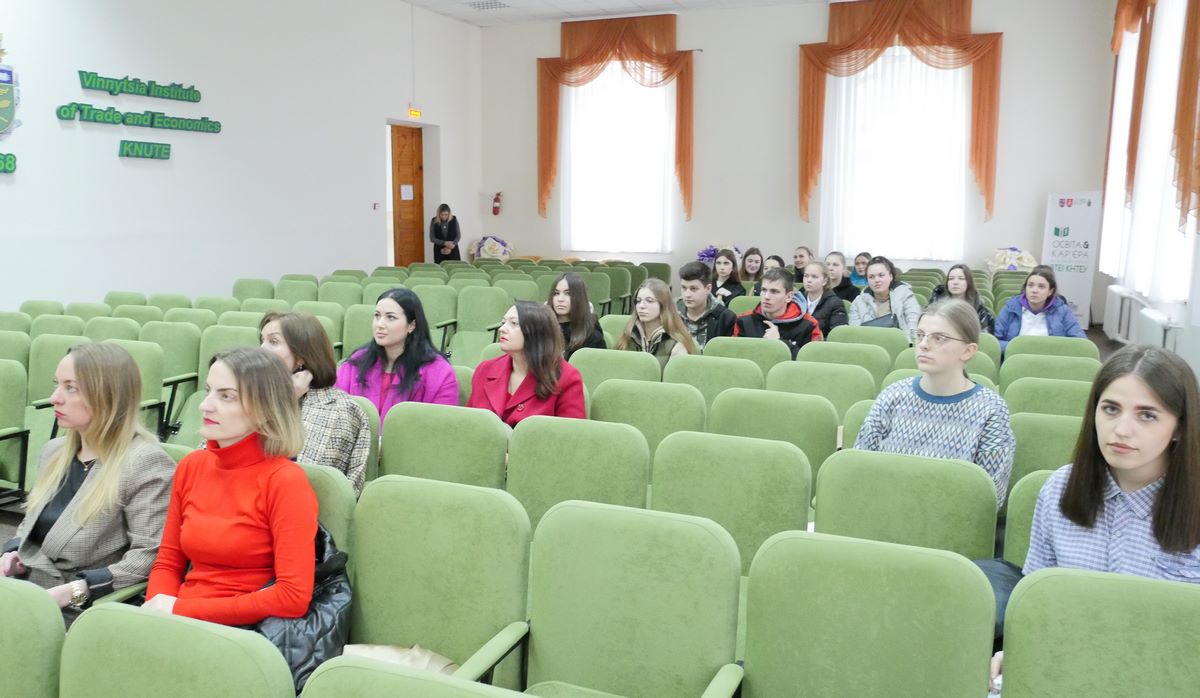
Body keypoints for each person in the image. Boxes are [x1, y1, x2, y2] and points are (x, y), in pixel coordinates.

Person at [987, 344, 1200, 693]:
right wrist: (1016, 650)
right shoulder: (1059, 489)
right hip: (1062, 667)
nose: (1122, 430)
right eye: (1111, 409)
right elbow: (1040, 600)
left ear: (1179, 427)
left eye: (1147, 415)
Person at [0, 343, 174, 624]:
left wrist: (75, 591)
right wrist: (12, 553)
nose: (54, 398)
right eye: (57, 385)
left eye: (71, 388)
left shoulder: (144, 462)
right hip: (27, 589)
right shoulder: (55, 451)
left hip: (81, 609)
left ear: (108, 396)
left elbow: (148, 556)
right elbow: (30, 523)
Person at [144, 347, 318, 626]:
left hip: (240, 631)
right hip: (179, 619)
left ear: (264, 410)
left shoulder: (285, 481)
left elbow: (292, 597)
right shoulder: (192, 466)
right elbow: (168, 561)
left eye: (226, 396)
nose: (205, 405)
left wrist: (180, 610)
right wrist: (157, 613)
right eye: (208, 391)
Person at [855, 300, 1015, 507]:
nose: (923, 344)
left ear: (967, 351)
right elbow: (860, 469)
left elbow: (990, 496)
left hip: (949, 520)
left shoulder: (990, 410)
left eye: (939, 338)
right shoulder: (892, 396)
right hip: (884, 510)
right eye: (920, 335)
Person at [260, 311, 371, 495]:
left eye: (273, 341)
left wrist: (286, 399)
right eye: (262, 340)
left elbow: (303, 482)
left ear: (301, 356)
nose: (261, 350)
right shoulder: (253, 396)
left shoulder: (337, 410)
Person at [335, 288, 458, 424]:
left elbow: (441, 426)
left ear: (411, 325)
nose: (380, 324)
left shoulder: (439, 371)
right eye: (377, 315)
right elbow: (334, 412)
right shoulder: (356, 362)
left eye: (391, 317)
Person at [468, 301, 586, 427]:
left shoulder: (567, 377)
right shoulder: (485, 369)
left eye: (513, 323)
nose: (502, 329)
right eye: (503, 322)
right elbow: (469, 425)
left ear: (537, 332)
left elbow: (571, 434)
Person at [734, 266, 823, 358]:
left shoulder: (809, 325)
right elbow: (735, 356)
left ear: (788, 297)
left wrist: (780, 342)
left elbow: (811, 361)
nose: (766, 296)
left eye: (774, 291)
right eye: (764, 290)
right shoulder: (744, 321)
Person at [993, 264, 1086, 351]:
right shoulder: (1011, 308)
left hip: (1051, 359)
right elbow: (994, 341)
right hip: (1017, 357)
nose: (1034, 290)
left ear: (1050, 291)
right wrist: (1018, 347)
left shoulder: (1062, 311)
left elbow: (1080, 342)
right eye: (1030, 285)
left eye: (1041, 287)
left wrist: (1053, 350)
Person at [616, 279, 698, 368]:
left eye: (649, 301)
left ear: (663, 305)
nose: (641, 306)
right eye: (638, 301)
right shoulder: (628, 336)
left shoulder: (676, 345)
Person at [848, 255, 921, 344]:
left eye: (881, 275)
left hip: (902, 345)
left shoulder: (905, 295)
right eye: (871, 277)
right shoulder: (858, 302)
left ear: (890, 276)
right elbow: (855, 333)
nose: (876, 280)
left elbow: (914, 329)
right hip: (869, 346)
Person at [676, 261, 736, 350]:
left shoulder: (725, 318)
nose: (687, 294)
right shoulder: (672, 310)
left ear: (708, 289)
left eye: (693, 289)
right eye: (684, 288)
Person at [548, 272, 605, 359]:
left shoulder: (591, 333)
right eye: (556, 293)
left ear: (579, 298)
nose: (560, 299)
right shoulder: (543, 326)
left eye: (568, 294)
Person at [931, 263, 994, 335]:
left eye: (961, 278)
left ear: (968, 282)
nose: (955, 282)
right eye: (951, 279)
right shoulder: (936, 303)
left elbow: (984, 336)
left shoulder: (979, 309)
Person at [795, 260, 848, 338]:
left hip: (822, 344)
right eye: (806, 276)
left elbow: (837, 335)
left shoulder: (835, 303)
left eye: (814, 277)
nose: (808, 280)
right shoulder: (797, 300)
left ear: (824, 281)